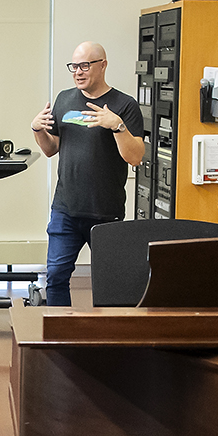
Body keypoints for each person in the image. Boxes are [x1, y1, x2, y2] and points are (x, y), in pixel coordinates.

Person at [31, 41, 146, 307]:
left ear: (103, 65)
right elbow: (52, 149)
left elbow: (135, 156)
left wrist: (117, 126)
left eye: (85, 65)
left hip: (105, 211)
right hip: (66, 209)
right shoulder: (64, 99)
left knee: (112, 280)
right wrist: (38, 130)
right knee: (57, 275)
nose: (78, 72)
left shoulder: (124, 105)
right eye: (74, 67)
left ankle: (109, 336)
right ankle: (59, 334)